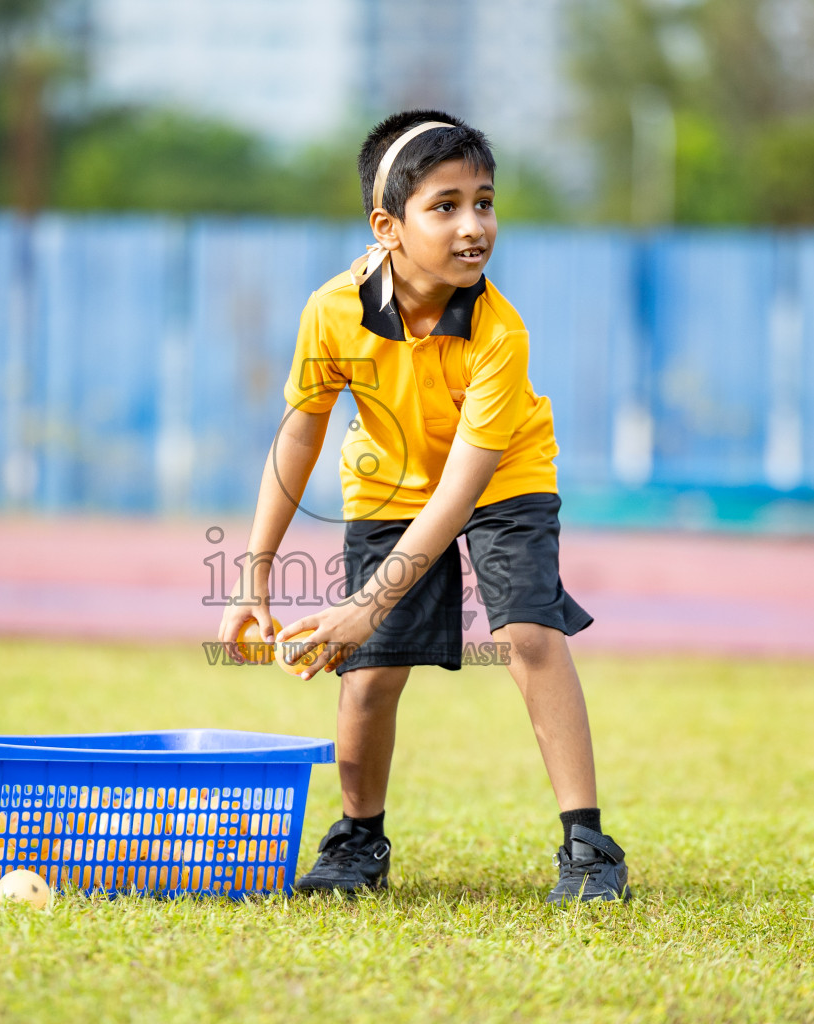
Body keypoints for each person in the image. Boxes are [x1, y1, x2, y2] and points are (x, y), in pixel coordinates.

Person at [218, 111, 629, 902]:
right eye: (445, 206)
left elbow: (461, 492)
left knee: (528, 634)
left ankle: (587, 843)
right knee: (370, 672)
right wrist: (254, 578)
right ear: (389, 226)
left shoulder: (500, 335)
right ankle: (356, 841)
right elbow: (299, 437)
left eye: (485, 201)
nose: (474, 226)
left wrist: (364, 605)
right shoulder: (332, 311)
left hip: (503, 475)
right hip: (387, 479)